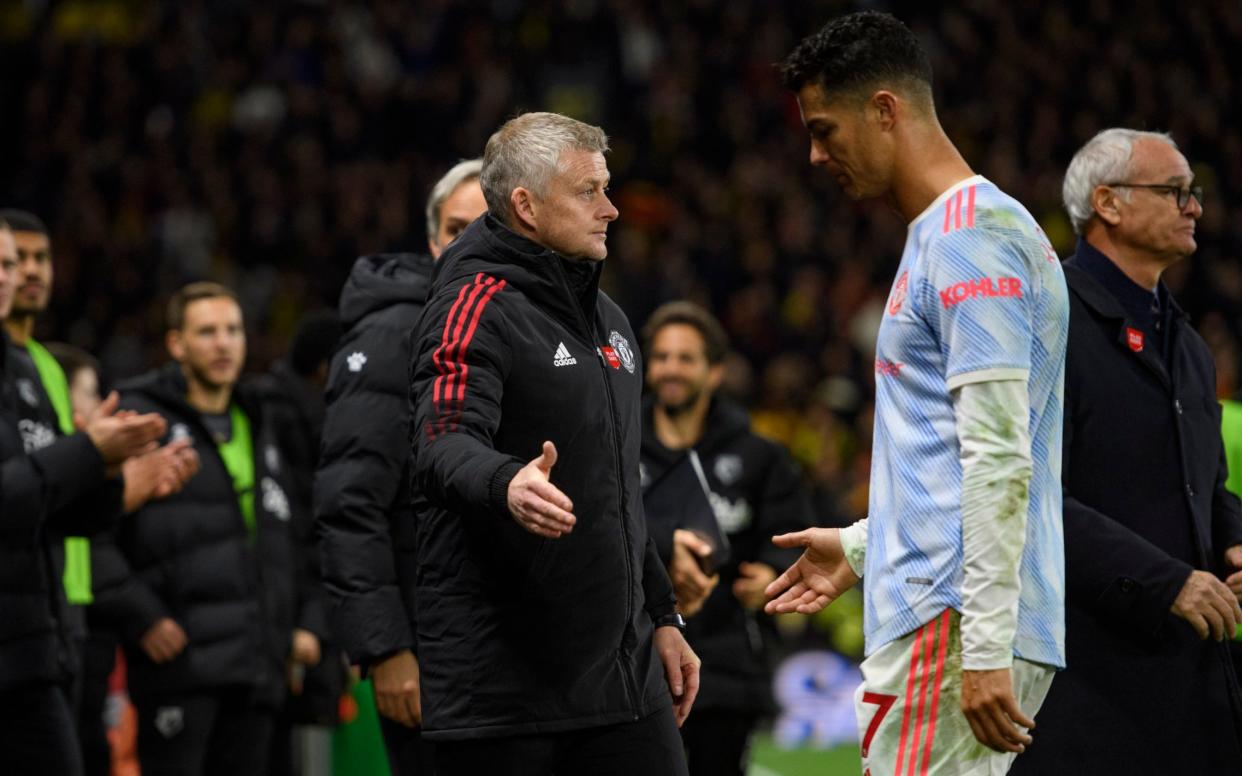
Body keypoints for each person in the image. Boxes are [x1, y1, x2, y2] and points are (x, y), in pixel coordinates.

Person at [765, 12, 1069, 775]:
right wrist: (864, 547)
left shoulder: (970, 241)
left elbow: (999, 458)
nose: (814, 154)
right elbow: (951, 452)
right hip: (950, 612)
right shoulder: (951, 234)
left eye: (825, 129)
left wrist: (987, 647)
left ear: (885, 111)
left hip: (954, 623)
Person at [409, 112, 699, 776]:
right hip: (510, 694)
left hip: (624, 686)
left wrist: (662, 616)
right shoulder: (471, 305)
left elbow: (619, 493)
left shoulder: (611, 322)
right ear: (526, 207)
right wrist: (506, 479)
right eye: (589, 192)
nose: (612, 208)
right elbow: (442, 439)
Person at [1008, 129, 1242, 774]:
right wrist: (1166, 581)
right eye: (1175, 191)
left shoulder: (1188, 343)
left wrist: (1234, 540)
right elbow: (1028, 492)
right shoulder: (1047, 319)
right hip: (1082, 681)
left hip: (1189, 678)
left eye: (1193, 193)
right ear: (1107, 203)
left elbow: (1207, 485)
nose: (1194, 206)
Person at [90, 282, 324, 776]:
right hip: (179, 672)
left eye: (233, 331)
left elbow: (294, 534)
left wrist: (303, 620)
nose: (223, 344)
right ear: (176, 344)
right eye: (207, 332)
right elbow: (88, 530)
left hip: (258, 666)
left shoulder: (261, 419)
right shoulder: (139, 421)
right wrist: (142, 617)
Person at [0, 209, 200, 775]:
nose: (14, 276)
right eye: (7, 262)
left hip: (44, 635)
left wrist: (113, 480)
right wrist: (90, 454)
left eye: (18, 262)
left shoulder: (29, 367)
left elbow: (47, 503)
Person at [315, 157, 485, 775]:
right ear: (433, 238)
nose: (466, 245)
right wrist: (386, 648)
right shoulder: (392, 334)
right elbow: (349, 503)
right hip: (432, 652)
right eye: (454, 228)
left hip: (507, 651)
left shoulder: (516, 327)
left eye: (483, 228)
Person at [639, 300, 814, 776]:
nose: (671, 369)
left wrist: (772, 577)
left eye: (685, 358)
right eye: (661, 357)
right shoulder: (618, 445)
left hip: (727, 668)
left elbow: (792, 539)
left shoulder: (760, 457)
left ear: (714, 372)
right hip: (638, 663)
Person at [253, 309, 343, 775]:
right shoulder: (287, 421)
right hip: (283, 623)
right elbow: (298, 529)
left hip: (294, 613)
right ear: (327, 368)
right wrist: (306, 619)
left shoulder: (282, 409)